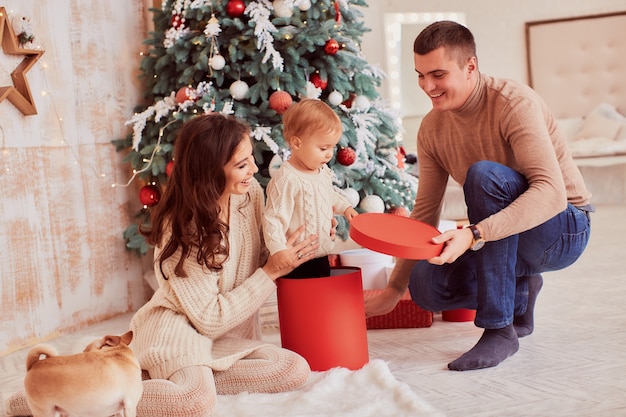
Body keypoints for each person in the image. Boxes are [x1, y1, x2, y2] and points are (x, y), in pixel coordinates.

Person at [364, 21, 593, 371]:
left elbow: (550, 193)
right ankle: (521, 289)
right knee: (426, 286)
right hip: (507, 235)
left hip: (563, 229)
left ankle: (499, 330)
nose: (428, 86)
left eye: (438, 74)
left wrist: (474, 234)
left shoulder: (514, 103)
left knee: (484, 176)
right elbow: (424, 213)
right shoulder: (431, 129)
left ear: (470, 67)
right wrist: (396, 288)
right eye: (420, 75)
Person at [263, 99, 358, 278]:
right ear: (297, 144)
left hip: (320, 255)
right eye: (323, 148)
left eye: (332, 147)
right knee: (301, 302)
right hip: (294, 259)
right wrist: (278, 250)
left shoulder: (321, 171)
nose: (330, 154)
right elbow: (273, 218)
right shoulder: (287, 179)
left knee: (321, 299)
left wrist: (345, 207)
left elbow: (328, 195)